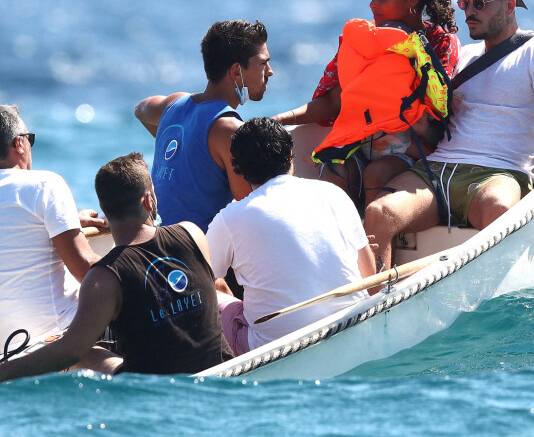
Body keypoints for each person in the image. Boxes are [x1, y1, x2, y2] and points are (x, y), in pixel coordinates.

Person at [365, 0, 534, 269]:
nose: (469, 12)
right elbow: (440, 132)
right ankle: (377, 306)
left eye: (480, 3)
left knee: (499, 208)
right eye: (465, 3)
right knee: (379, 213)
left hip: (499, 172)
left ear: (509, 5)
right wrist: (422, 126)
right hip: (437, 172)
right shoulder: (462, 57)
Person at [0, 152, 233, 381]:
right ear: (148, 201)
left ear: (105, 209)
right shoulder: (192, 234)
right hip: (221, 369)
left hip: (153, 388)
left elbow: (70, 351)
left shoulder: (103, 278)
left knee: (89, 351)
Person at [273, 0, 459, 208]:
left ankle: (379, 246)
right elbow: (335, 102)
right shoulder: (366, 40)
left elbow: (438, 114)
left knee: (376, 174)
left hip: (414, 154)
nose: (373, 5)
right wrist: (284, 118)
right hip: (361, 149)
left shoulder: (439, 43)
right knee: (332, 174)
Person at [206, 117, 376, 356]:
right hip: (352, 327)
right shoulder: (333, 193)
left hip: (273, 349)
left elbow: (200, 285)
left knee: (210, 295)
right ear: (289, 156)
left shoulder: (229, 218)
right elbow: (370, 279)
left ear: (238, 168)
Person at [135, 19, 274, 233]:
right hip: (195, 258)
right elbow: (253, 210)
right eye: (263, 63)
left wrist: (187, 149)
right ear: (236, 72)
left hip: (155, 246)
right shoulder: (230, 131)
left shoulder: (173, 105)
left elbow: (141, 109)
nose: (270, 71)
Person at [0, 104, 107, 351]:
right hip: (56, 337)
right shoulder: (44, 185)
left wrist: (67, 218)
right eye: (30, 139)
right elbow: (86, 270)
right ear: (19, 144)